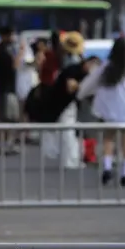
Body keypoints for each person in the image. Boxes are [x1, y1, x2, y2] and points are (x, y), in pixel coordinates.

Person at [77, 36, 125, 185]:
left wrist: (81, 93)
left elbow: (91, 82)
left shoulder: (107, 66)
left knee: (108, 138)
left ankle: (107, 168)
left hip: (110, 110)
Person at [41, 31, 85, 169]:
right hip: (68, 101)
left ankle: (67, 158)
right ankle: (70, 160)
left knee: (65, 130)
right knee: (68, 130)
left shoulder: (61, 58)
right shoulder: (73, 62)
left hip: (58, 99)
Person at [0, 25, 21, 154]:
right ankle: (1, 144)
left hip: (9, 89)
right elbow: (14, 65)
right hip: (5, 89)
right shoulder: (3, 49)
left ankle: (6, 144)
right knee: (5, 117)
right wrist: (21, 52)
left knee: (9, 117)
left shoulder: (7, 48)